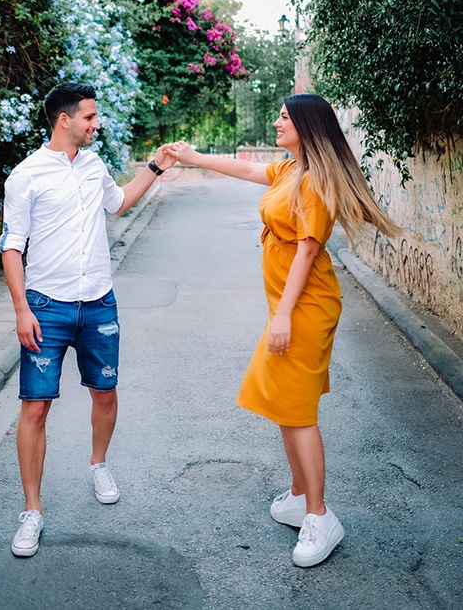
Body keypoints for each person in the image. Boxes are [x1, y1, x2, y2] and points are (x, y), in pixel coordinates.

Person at [167, 93, 400, 568]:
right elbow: (249, 171)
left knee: (296, 409)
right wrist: (191, 157)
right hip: (290, 306)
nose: (276, 122)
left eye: (285, 118)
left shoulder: (314, 182)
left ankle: (319, 515)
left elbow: (307, 252)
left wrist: (283, 315)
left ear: (307, 127)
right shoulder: (291, 169)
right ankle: (299, 496)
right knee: (283, 402)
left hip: (306, 306)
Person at [0, 82, 175, 557]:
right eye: (90, 117)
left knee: (105, 391)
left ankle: (99, 464)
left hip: (98, 301)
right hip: (46, 307)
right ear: (65, 119)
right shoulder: (26, 176)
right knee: (35, 407)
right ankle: (32, 511)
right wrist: (21, 310)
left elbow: (118, 203)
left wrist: (156, 167)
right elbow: (11, 246)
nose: (96, 124)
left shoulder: (94, 165)